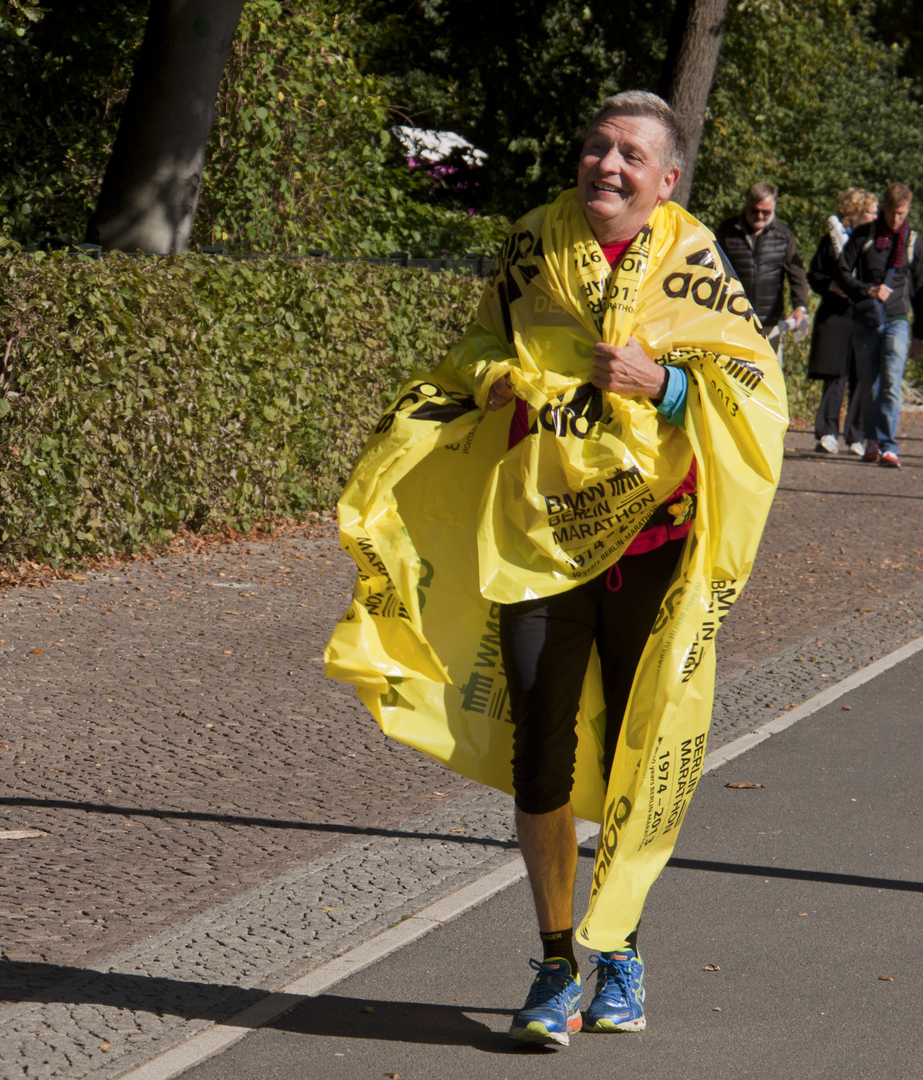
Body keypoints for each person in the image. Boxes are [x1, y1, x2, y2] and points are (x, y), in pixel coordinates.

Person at [329, 90, 786, 1047]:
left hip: (653, 547)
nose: (606, 167)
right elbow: (477, 350)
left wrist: (661, 387)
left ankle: (618, 951)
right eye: (595, 148)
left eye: (630, 157)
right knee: (541, 750)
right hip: (539, 541)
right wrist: (500, 378)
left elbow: (753, 391)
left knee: (636, 748)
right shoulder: (532, 243)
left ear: (666, 183)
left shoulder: (696, 261)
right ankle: (551, 960)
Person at [835, 181, 923, 468]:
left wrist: (920, 334)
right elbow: (840, 271)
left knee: (891, 383)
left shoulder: (912, 241)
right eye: (892, 212)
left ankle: (889, 445)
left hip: (898, 319)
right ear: (884, 208)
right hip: (867, 319)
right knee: (869, 385)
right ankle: (871, 440)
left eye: (902, 213)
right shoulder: (865, 235)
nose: (896, 219)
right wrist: (867, 290)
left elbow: (920, 289)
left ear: (908, 209)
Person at [808, 188, 876, 453]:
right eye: (871, 212)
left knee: (862, 375)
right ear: (856, 213)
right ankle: (827, 432)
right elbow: (814, 275)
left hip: (865, 314)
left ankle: (857, 436)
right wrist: (831, 285)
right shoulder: (832, 241)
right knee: (835, 375)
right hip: (837, 314)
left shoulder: (875, 243)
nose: (875, 216)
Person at [715, 181, 810, 353]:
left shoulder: (784, 236)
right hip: (732, 318)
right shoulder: (727, 231)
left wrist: (800, 307)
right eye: (754, 210)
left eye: (765, 212)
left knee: (768, 376)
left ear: (774, 208)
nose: (759, 216)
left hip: (770, 324)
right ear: (746, 205)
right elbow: (713, 269)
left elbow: (797, 275)